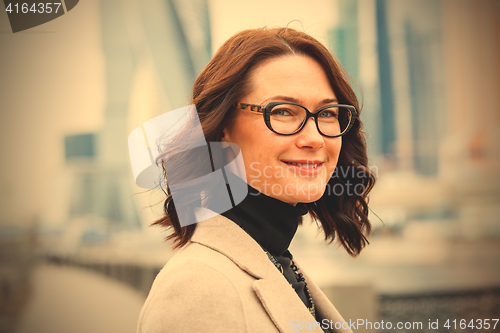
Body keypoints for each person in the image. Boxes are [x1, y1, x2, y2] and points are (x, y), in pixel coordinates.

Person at [137, 27, 375, 333]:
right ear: (223, 126)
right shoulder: (197, 289)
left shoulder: (276, 261)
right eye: (284, 112)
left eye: (327, 113)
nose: (315, 138)